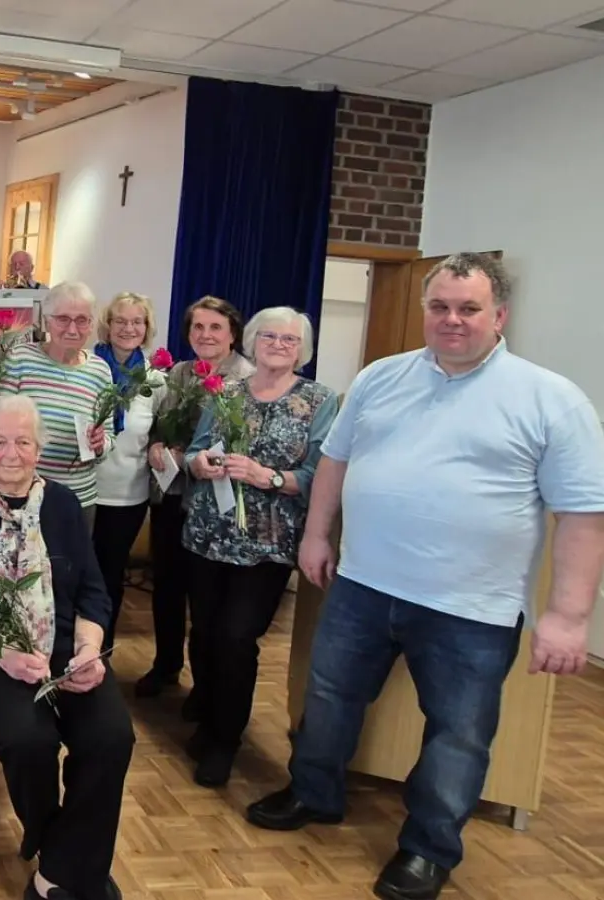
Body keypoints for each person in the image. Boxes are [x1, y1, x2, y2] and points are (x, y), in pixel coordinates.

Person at [247, 254, 604, 900]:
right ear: (424, 311)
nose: (451, 320)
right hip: (361, 585)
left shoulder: (549, 399)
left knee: (458, 732)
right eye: (439, 307)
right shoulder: (381, 378)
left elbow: (581, 514)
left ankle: (427, 849)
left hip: (471, 608)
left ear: (499, 315)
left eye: (468, 309)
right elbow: (334, 462)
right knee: (328, 698)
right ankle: (313, 792)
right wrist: (316, 533)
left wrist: (568, 615)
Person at [0, 394, 131, 900]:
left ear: (39, 450)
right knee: (29, 740)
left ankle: (59, 868)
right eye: (0, 441)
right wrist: (0, 652)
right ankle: (66, 858)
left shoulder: (63, 505)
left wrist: (89, 648)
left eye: (23, 442)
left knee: (110, 736)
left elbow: (91, 589)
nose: (12, 453)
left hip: (62, 641)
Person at [182, 306, 336, 787]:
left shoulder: (319, 400)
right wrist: (199, 463)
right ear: (251, 340)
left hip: (268, 544)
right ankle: (208, 715)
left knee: (236, 638)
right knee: (204, 633)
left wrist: (269, 476)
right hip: (208, 532)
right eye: (269, 335)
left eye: (289, 340)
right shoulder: (226, 392)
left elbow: (322, 475)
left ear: (302, 350)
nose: (278, 344)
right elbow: (195, 448)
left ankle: (226, 740)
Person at [137, 296, 254, 702]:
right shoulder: (180, 373)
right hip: (172, 497)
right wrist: (156, 447)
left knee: (207, 601)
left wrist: (185, 459)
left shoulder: (249, 380)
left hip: (216, 505)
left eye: (215, 327)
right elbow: (159, 428)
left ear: (233, 334)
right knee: (167, 586)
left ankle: (206, 687)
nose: (205, 335)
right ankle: (166, 665)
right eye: (197, 327)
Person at [0, 282, 111, 521]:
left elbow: (108, 437)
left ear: (91, 325)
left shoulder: (100, 370)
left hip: (78, 497)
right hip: (20, 494)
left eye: (82, 320)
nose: (72, 328)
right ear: (47, 321)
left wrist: (101, 443)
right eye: (63, 319)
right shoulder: (20, 359)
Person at [90, 292, 164, 653]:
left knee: (109, 579)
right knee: (71, 575)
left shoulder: (156, 381)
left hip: (127, 497)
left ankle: (100, 655)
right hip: (82, 491)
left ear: (146, 328)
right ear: (107, 325)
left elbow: (159, 435)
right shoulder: (87, 367)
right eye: (120, 320)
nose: (128, 328)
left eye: (137, 322)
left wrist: (160, 447)